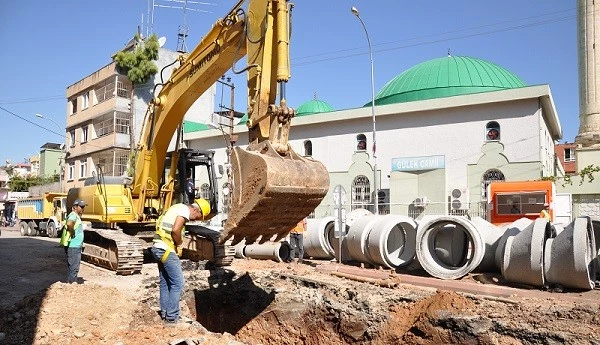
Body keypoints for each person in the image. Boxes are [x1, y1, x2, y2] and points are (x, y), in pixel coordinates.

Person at [150, 198, 210, 326]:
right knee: (178, 283)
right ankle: (172, 318)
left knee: (165, 282)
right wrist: (179, 244)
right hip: (166, 249)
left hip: (158, 248)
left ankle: (166, 314)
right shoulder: (183, 211)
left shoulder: (176, 207)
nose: (196, 219)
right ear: (195, 209)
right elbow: (175, 230)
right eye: (198, 216)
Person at [65, 199, 86, 284]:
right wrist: (72, 231)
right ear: (75, 207)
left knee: (72, 267)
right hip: (73, 246)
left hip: (75, 245)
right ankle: (71, 284)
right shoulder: (73, 215)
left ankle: (70, 282)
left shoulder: (76, 216)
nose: (83, 209)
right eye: (81, 207)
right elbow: (69, 223)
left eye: (83, 207)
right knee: (74, 267)